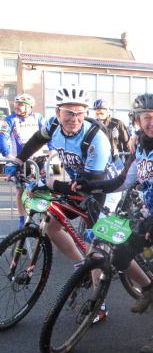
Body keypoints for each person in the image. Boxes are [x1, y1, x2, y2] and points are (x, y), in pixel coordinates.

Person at [4, 85, 129, 323]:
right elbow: (36, 141)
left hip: (105, 185)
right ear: (58, 111)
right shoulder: (52, 125)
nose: (75, 118)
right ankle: (79, 267)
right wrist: (18, 160)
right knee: (52, 227)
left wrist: (51, 184)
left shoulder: (96, 137)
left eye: (80, 113)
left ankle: (98, 304)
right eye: (69, 113)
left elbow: (92, 183)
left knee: (95, 244)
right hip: (79, 180)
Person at [77, 93, 153, 353]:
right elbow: (124, 180)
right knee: (120, 252)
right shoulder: (140, 146)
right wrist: (91, 185)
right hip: (150, 217)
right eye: (147, 118)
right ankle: (149, 289)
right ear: (136, 120)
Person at [0, 93, 47, 227]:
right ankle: (22, 218)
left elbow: (48, 134)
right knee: (20, 189)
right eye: (15, 104)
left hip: (39, 159)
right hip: (20, 160)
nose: (17, 107)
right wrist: (8, 155)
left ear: (29, 106)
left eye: (20, 105)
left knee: (43, 188)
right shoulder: (10, 119)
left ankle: (44, 217)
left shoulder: (38, 117)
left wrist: (51, 149)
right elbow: (2, 137)